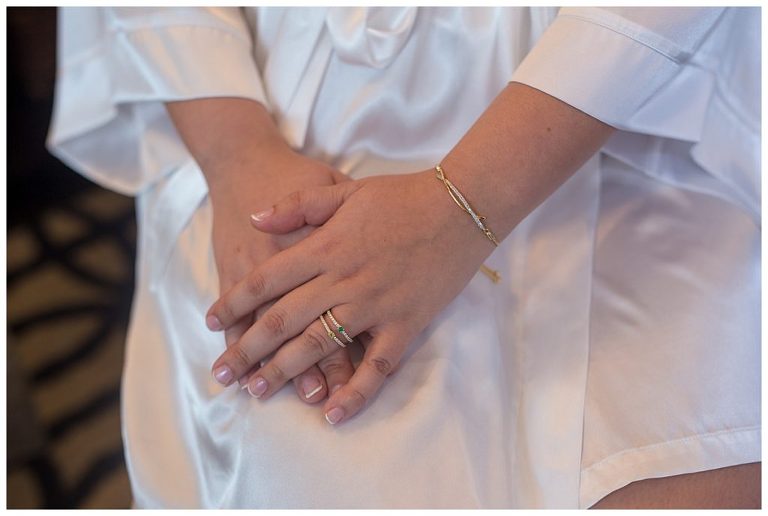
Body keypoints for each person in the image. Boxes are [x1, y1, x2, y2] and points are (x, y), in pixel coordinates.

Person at [48, 6, 760, 509]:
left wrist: (462, 205)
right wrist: (239, 157)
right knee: (302, 464)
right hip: (268, 119)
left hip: (648, 117)